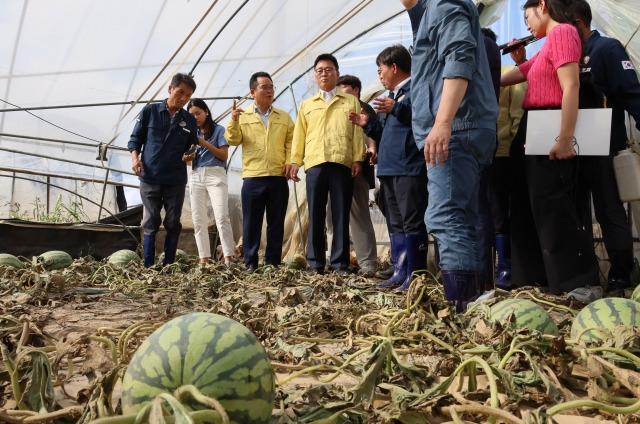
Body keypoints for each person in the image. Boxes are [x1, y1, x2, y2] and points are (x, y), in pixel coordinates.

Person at [400, 0, 498, 311]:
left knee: (446, 216)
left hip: (456, 127)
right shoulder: (431, 10)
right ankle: (472, 304)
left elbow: (459, 55)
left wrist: (442, 123)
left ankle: (459, 305)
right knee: (462, 218)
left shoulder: (444, 4)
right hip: (461, 125)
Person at [501, 0, 600, 300]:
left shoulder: (563, 33)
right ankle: (535, 277)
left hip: (552, 125)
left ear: (542, 5)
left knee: (554, 206)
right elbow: (518, 74)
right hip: (534, 129)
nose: (527, 24)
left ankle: (578, 281)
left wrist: (565, 137)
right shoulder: (546, 45)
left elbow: (570, 87)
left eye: (527, 15)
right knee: (528, 206)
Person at [570, 0, 640, 298]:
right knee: (576, 214)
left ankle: (620, 278)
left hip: (604, 148)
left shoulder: (607, 49)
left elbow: (632, 94)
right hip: (573, 151)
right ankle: (584, 277)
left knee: (610, 211)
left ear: (576, 21)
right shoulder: (567, 56)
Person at [348, 44, 428, 291]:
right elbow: (385, 134)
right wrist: (367, 124)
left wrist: (398, 108)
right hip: (390, 168)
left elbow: (424, 120)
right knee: (396, 223)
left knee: (412, 221)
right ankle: (401, 272)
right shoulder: (390, 98)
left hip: (410, 167)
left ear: (394, 67)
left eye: (380, 69)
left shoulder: (419, 90)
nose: (379, 75)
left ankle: (415, 276)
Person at [290, 53, 365, 276]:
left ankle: (340, 263)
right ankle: (315, 263)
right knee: (315, 214)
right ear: (315, 75)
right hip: (315, 161)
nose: (324, 73)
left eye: (329, 69)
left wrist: (357, 158)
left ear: (337, 73)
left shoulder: (350, 101)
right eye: (320, 70)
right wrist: (295, 161)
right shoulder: (307, 105)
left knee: (341, 213)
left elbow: (357, 131)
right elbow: (299, 135)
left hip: (341, 160)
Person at [224, 72, 294, 274]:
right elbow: (233, 140)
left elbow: (291, 141)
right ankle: (251, 262)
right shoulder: (243, 115)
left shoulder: (284, 117)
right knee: (251, 223)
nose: (270, 90)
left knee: (276, 223)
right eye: (264, 86)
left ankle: (272, 263)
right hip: (253, 177)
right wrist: (233, 121)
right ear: (253, 92)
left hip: (277, 175)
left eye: (271, 86)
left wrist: (290, 161)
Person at [128, 73, 199, 268]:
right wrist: (135, 158)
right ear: (170, 89)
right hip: (149, 175)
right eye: (180, 92)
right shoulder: (149, 112)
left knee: (173, 222)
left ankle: (168, 267)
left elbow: (192, 145)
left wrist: (191, 153)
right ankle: (149, 266)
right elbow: (135, 140)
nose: (183, 99)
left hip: (175, 179)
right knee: (150, 219)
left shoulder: (189, 120)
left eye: (188, 95)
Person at [324, 74, 378, 278]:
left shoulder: (363, 107)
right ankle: (335, 259)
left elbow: (369, 132)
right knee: (332, 215)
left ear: (356, 90)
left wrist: (371, 149)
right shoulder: (333, 107)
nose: (339, 93)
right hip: (334, 167)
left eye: (344, 88)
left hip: (358, 168)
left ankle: (367, 262)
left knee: (358, 214)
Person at [489, 46, 528, 289]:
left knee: (502, 212)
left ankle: (506, 268)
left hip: (502, 153)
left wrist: (514, 149)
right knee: (488, 214)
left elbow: (518, 114)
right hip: (476, 157)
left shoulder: (509, 73)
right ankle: (492, 267)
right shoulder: (465, 75)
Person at [186, 98, 235, 267]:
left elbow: (223, 155)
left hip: (216, 173)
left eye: (198, 113)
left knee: (221, 217)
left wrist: (204, 143)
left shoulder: (219, 130)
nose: (196, 118)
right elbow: (187, 161)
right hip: (196, 174)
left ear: (206, 111)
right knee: (198, 219)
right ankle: (204, 260)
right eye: (191, 116)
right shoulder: (189, 133)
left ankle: (228, 258)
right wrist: (188, 158)